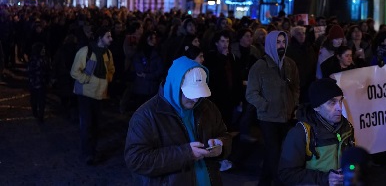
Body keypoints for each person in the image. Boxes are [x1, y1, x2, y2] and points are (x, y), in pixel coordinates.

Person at [124, 57, 231, 185]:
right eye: (191, 93)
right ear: (174, 86)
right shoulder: (146, 116)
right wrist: (186, 154)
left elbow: (224, 135)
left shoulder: (208, 108)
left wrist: (221, 146)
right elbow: (136, 160)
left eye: (200, 93)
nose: (196, 99)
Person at [246, 31, 300, 186]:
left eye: (283, 42)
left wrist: (293, 103)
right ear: (270, 44)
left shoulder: (290, 64)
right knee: (274, 153)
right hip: (268, 118)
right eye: (278, 42)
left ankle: (264, 182)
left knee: (276, 152)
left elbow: (296, 86)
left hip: (286, 115)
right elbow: (251, 93)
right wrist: (266, 106)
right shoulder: (260, 66)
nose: (281, 45)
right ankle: (279, 182)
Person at [279, 78, 354, 186]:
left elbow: (352, 163)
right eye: (332, 103)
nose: (340, 108)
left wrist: (352, 168)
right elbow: (286, 173)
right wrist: (325, 178)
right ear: (317, 107)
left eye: (340, 101)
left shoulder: (347, 128)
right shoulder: (301, 133)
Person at [70, 25, 115, 165]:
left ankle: (93, 151)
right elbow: (74, 72)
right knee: (87, 125)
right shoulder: (86, 52)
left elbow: (112, 69)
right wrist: (87, 79)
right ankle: (87, 154)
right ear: (100, 38)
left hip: (100, 95)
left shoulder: (108, 53)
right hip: (85, 94)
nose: (111, 39)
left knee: (95, 126)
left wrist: (108, 79)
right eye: (108, 36)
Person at [28, 42, 49, 123]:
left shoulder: (41, 59)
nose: (44, 50)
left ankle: (39, 114)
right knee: (38, 99)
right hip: (38, 82)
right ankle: (37, 114)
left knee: (38, 100)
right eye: (42, 49)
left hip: (37, 83)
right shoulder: (37, 60)